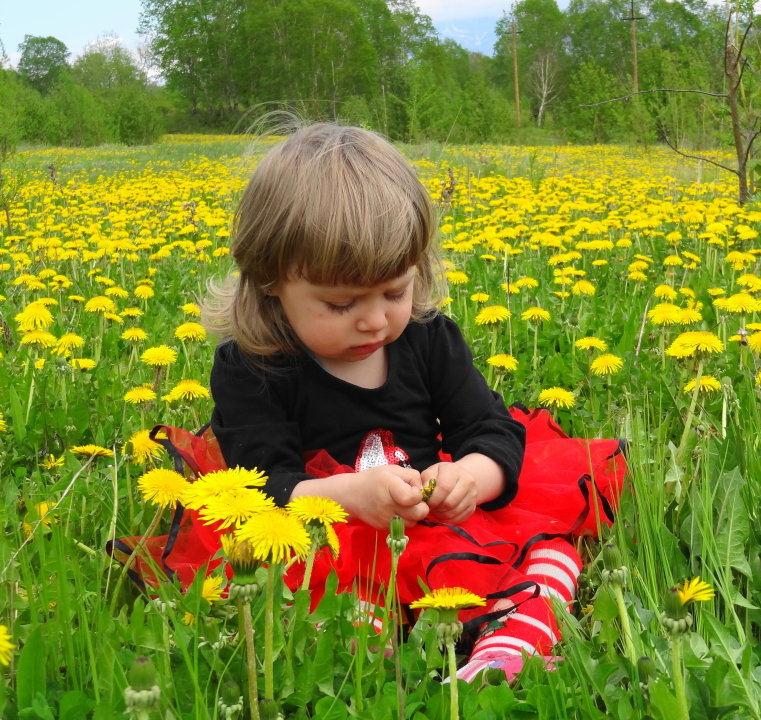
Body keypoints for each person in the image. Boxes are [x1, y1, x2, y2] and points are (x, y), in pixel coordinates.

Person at [188, 123, 623, 682]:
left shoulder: (427, 337)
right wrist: (345, 496)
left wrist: (473, 475)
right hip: (326, 534)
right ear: (270, 280)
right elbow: (263, 480)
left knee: (549, 549)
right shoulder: (251, 366)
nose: (375, 319)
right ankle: (376, 656)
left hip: (439, 520)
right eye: (341, 304)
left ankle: (508, 646)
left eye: (395, 291)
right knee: (300, 587)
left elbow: (489, 427)